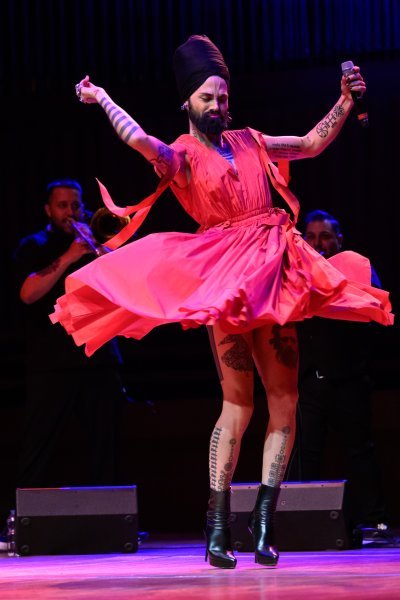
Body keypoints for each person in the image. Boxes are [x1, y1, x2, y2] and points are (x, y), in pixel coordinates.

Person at [50, 35, 392, 568]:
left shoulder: (251, 139)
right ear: (187, 101)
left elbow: (308, 144)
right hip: (223, 279)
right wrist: (103, 98)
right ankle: (216, 527)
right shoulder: (181, 157)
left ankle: (263, 523)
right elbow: (139, 140)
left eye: (223, 97)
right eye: (207, 97)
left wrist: (346, 101)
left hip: (274, 271)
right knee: (238, 403)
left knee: (285, 399)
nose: (217, 105)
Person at [13, 179, 126, 493]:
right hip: (52, 363)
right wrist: (68, 257)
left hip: (98, 357)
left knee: (106, 446)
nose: (70, 212)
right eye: (62, 206)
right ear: (48, 210)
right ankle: (27, 515)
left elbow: (122, 286)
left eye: (75, 205)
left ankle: (109, 513)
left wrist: (101, 251)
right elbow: (27, 294)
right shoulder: (34, 245)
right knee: (39, 445)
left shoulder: (97, 242)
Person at [288, 209, 392, 541]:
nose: (318, 243)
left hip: (350, 378)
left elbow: (378, 309)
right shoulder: (295, 271)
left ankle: (375, 522)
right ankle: (301, 523)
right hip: (309, 381)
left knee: (360, 451)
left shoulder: (357, 267)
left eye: (325, 237)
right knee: (305, 453)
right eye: (311, 237)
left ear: (339, 240)